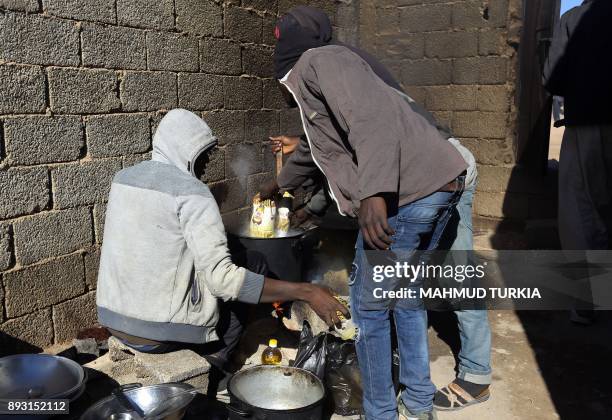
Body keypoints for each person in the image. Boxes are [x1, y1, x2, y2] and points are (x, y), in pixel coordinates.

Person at [260, 7, 468, 420]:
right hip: (434, 188)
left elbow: (371, 120)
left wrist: (374, 194)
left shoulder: (323, 61)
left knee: (369, 312)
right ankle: (420, 403)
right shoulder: (321, 73)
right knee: (405, 298)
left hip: (409, 194)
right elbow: (312, 150)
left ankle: (380, 413)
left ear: (285, 60)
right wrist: (278, 185)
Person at [96, 109, 348, 380]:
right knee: (252, 264)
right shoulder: (192, 192)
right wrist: (307, 291)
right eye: (203, 156)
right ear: (185, 151)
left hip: (113, 319)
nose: (205, 165)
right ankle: (217, 362)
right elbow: (222, 281)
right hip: (160, 334)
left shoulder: (122, 179)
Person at [543, 0, 612, 324]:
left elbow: (552, 77)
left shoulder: (574, 18)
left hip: (588, 125)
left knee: (581, 212)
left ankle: (591, 300)